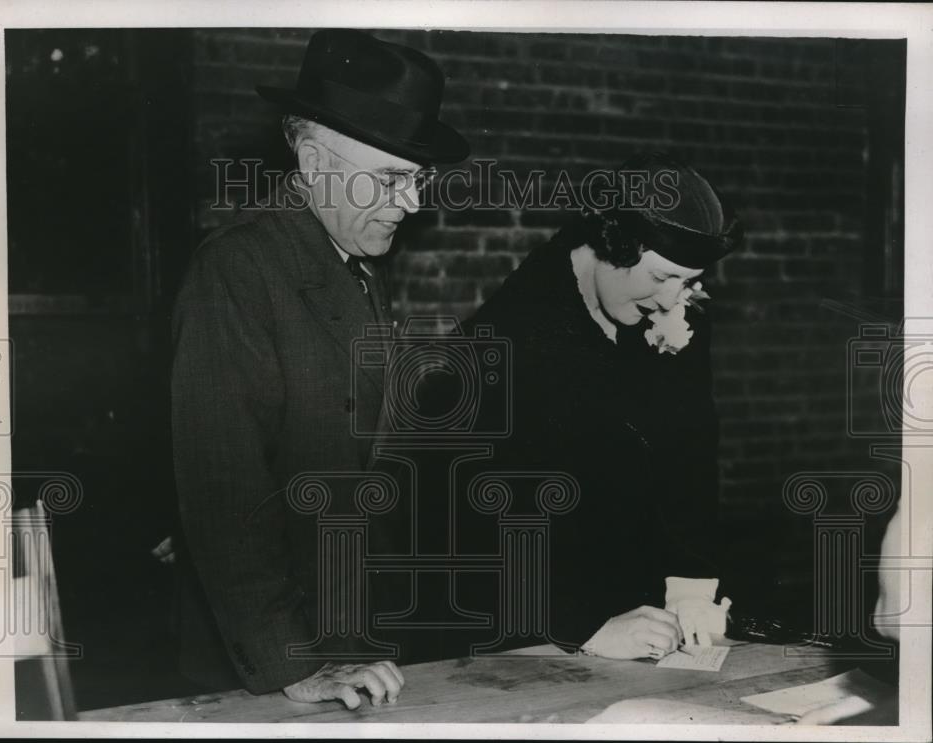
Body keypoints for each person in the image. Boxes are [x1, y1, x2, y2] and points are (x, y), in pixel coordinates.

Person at [170, 28, 468, 703]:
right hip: (270, 664)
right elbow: (226, 490)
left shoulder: (351, 264)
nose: (414, 202)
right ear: (312, 161)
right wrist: (294, 666)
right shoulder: (238, 269)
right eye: (392, 179)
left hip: (349, 640)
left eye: (417, 179)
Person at [441, 152, 744, 660]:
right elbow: (473, 517)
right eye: (663, 277)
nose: (674, 302)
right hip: (521, 611)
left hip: (638, 603)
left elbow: (689, 450)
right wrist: (583, 626)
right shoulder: (511, 335)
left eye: (690, 282)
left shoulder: (672, 308)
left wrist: (691, 586)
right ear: (611, 246)